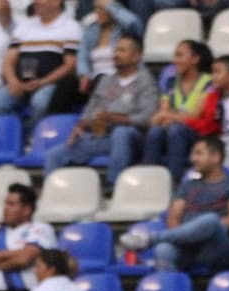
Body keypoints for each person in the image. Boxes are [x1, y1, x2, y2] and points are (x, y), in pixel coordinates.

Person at [118, 136, 229, 273]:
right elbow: (172, 219)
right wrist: (188, 235)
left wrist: (202, 229)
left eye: (198, 153)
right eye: (192, 154)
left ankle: (150, 239)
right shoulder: (188, 186)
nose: (193, 159)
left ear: (215, 157)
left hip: (216, 247)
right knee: (163, 249)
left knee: (211, 220)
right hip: (187, 245)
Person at [44, 34, 157, 186]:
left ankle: (113, 186)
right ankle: (51, 195)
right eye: (116, 50)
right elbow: (90, 109)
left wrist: (114, 118)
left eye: (122, 51)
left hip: (132, 138)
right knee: (54, 155)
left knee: (121, 133)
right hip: (100, 135)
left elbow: (148, 117)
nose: (116, 54)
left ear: (136, 56)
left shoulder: (146, 81)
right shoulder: (106, 80)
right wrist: (81, 126)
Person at [0, 0, 82, 126]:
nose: (35, 2)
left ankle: (35, 137)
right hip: (20, 83)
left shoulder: (71, 27)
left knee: (40, 102)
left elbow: (70, 66)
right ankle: (17, 135)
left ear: (56, 2)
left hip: (50, 83)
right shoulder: (24, 26)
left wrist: (43, 82)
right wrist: (13, 81)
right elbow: (8, 60)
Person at [47, 0, 143, 114]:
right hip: (93, 83)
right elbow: (82, 57)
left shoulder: (125, 30)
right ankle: (56, 123)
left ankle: (97, 124)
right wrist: (84, 75)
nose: (98, 12)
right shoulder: (91, 31)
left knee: (102, 79)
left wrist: (110, 5)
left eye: (102, 9)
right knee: (67, 82)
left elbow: (134, 23)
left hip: (119, 83)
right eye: (96, 8)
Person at [143, 39, 213, 182]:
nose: (175, 60)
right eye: (175, 56)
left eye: (180, 55)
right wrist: (168, 117)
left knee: (176, 130)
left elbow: (196, 115)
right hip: (173, 128)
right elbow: (161, 114)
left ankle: (175, 182)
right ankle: (149, 180)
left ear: (195, 59)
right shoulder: (170, 81)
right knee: (155, 131)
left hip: (198, 132)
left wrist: (170, 116)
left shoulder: (208, 81)